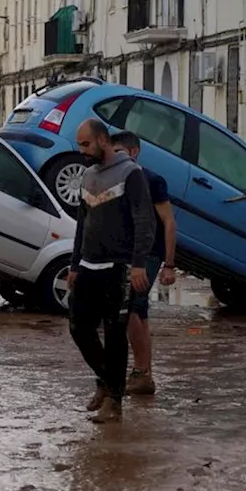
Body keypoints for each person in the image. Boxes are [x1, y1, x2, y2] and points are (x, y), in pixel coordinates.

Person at [67, 118, 156, 423]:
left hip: (119, 269)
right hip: (88, 266)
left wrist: (138, 264)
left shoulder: (131, 174)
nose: (82, 151)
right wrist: (74, 264)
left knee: (116, 334)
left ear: (102, 140)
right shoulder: (88, 175)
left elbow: (145, 221)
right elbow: (82, 224)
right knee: (79, 327)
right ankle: (107, 381)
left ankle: (114, 402)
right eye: (80, 145)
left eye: (86, 144)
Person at [111, 131, 178, 396]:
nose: (115, 158)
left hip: (149, 254)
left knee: (131, 311)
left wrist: (169, 265)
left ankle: (140, 372)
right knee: (139, 313)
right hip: (127, 254)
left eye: (119, 152)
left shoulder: (152, 180)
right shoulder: (116, 180)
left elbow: (169, 222)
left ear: (133, 152)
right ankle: (145, 375)